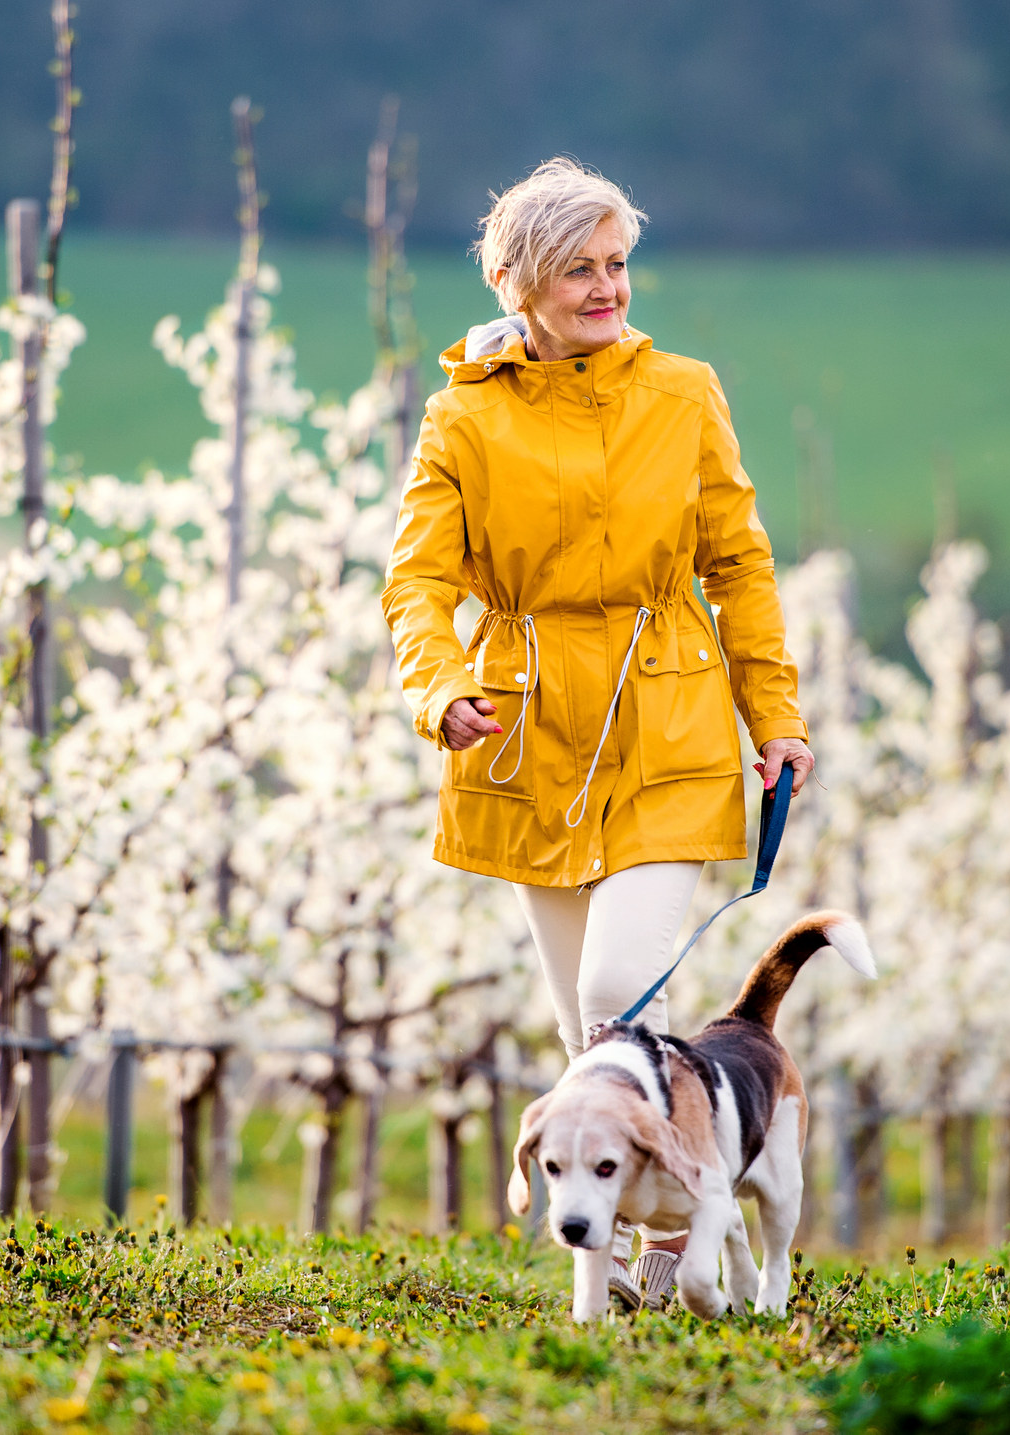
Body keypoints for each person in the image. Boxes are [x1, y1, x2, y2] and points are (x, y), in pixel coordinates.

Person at [381, 156, 813, 1307]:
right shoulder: (460, 415)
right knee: (585, 1027)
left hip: (667, 716)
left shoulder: (684, 392)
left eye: (617, 263)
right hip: (526, 739)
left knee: (625, 993)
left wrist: (774, 715)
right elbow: (417, 583)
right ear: (519, 281)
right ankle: (617, 1254)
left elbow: (740, 563)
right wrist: (436, 691)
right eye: (580, 268)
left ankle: (674, 1249)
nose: (608, 287)